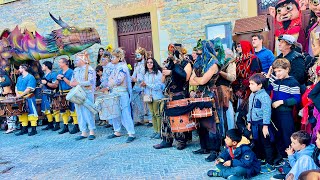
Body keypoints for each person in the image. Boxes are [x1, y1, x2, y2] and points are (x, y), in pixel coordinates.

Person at [153, 43, 192, 150]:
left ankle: (181, 141)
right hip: (169, 94)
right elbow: (162, 79)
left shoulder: (186, 63)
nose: (170, 54)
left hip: (180, 94)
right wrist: (166, 72)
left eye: (173, 51)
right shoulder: (170, 63)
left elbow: (186, 78)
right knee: (166, 117)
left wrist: (172, 71)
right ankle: (166, 140)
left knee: (180, 118)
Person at [190, 39, 221, 161]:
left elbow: (202, 81)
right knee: (201, 122)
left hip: (210, 94)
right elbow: (191, 80)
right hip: (199, 94)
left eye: (200, 52)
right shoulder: (199, 62)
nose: (198, 55)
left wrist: (198, 79)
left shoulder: (214, 63)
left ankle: (215, 150)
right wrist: (200, 79)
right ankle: (204, 147)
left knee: (211, 123)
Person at [266, 58, 301, 164]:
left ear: (287, 69)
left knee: (287, 135)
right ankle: (280, 155)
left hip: (285, 113)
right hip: (275, 113)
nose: (277, 73)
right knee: (277, 134)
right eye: (275, 71)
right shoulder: (276, 81)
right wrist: (268, 75)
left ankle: (289, 157)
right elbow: (267, 88)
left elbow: (296, 99)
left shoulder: (293, 82)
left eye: (280, 71)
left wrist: (282, 102)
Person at [247, 73, 276, 173]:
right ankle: (262, 159)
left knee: (266, 143)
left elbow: (267, 111)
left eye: (252, 84)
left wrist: (265, 126)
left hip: (262, 124)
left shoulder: (264, 96)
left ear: (260, 85)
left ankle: (270, 164)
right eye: (249, 83)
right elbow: (249, 109)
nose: (249, 86)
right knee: (257, 142)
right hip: (254, 123)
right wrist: (249, 121)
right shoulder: (252, 95)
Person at [232, 40, 262, 139]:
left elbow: (254, 75)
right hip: (240, 92)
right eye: (237, 46)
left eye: (240, 46)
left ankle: (252, 137)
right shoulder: (237, 60)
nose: (237, 48)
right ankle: (242, 136)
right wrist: (237, 89)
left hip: (250, 90)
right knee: (240, 115)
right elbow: (235, 76)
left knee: (248, 113)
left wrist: (243, 89)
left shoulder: (254, 59)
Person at [106, 48, 136, 143]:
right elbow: (109, 79)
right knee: (114, 111)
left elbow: (119, 81)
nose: (111, 58)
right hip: (114, 92)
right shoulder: (114, 67)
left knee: (125, 112)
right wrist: (111, 82)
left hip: (122, 92)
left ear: (119, 58)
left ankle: (131, 132)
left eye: (113, 57)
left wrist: (111, 82)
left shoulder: (122, 67)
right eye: (111, 56)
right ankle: (117, 131)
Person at [70, 52, 96, 140]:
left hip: (87, 93)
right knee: (79, 112)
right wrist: (72, 83)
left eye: (77, 60)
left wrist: (79, 83)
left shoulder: (90, 69)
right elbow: (72, 81)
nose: (75, 61)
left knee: (88, 112)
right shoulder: (75, 70)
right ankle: (83, 132)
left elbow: (91, 82)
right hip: (77, 93)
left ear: (82, 60)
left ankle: (92, 131)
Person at [54, 58, 79, 134]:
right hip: (62, 93)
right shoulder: (60, 72)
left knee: (72, 109)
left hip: (70, 92)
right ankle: (65, 126)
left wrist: (63, 78)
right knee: (63, 110)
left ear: (65, 63)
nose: (59, 64)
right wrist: (57, 80)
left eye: (60, 62)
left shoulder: (71, 72)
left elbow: (71, 83)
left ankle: (76, 125)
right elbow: (56, 84)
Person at [141, 57, 164, 139]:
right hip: (148, 96)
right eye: (148, 62)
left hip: (157, 96)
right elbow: (144, 86)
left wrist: (146, 84)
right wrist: (143, 86)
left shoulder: (158, 73)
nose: (149, 64)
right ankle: (155, 130)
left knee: (157, 114)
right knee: (152, 114)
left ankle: (160, 131)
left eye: (151, 62)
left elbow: (158, 86)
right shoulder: (145, 74)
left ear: (154, 63)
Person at [15, 64, 38, 136]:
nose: (19, 69)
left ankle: (34, 129)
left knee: (31, 112)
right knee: (22, 113)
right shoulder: (19, 78)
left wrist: (20, 95)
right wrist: (17, 94)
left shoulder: (30, 77)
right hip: (20, 97)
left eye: (19, 68)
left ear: (24, 69)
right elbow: (16, 86)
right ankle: (24, 129)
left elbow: (29, 89)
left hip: (29, 97)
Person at [40, 61, 59, 131]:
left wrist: (46, 82)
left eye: (43, 65)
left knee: (54, 109)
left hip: (51, 95)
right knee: (47, 110)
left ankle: (57, 124)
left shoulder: (53, 74)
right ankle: (50, 123)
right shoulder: (44, 75)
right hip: (45, 94)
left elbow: (55, 85)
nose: (42, 67)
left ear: (46, 66)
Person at [131, 47, 147, 126]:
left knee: (145, 102)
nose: (137, 57)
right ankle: (139, 120)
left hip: (144, 84)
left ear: (143, 56)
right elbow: (134, 74)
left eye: (139, 55)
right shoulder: (136, 65)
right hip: (137, 84)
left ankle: (149, 119)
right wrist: (133, 78)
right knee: (136, 102)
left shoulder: (146, 63)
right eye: (136, 55)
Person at [0, 69, 16, 134]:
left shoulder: (5, 77)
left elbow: (8, 82)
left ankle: (11, 127)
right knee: (10, 112)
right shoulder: (4, 77)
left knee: (9, 112)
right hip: (7, 96)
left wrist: (0, 84)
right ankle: (12, 126)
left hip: (9, 96)